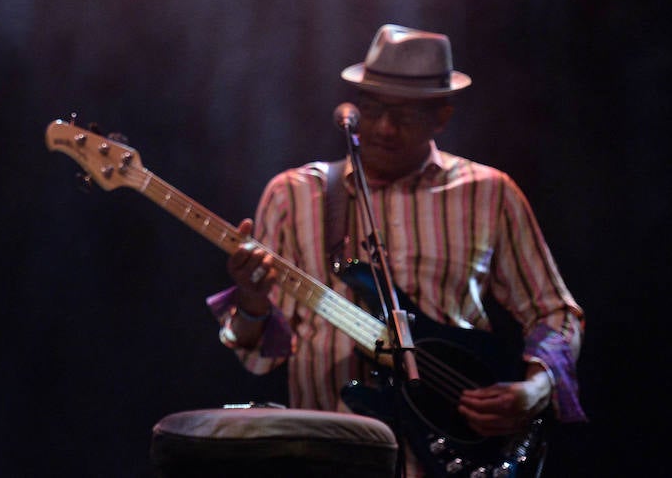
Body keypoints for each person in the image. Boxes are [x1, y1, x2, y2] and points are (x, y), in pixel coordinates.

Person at [207, 24, 585, 478]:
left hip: (457, 451)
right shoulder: (292, 195)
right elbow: (259, 356)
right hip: (327, 457)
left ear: (441, 116)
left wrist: (538, 388)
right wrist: (251, 304)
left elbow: (555, 312)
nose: (385, 127)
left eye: (405, 114)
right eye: (373, 109)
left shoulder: (490, 193)